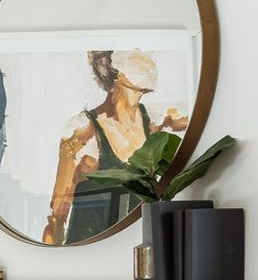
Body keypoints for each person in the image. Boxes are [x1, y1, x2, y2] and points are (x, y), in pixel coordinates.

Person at [42, 48, 190, 244]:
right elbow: (58, 212)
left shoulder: (153, 120)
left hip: (137, 247)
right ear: (115, 75)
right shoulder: (83, 130)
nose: (146, 62)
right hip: (88, 248)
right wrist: (52, 255)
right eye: (135, 56)